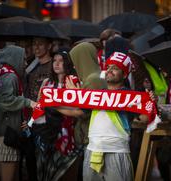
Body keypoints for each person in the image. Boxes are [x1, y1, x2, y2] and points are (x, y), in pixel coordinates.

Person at [59, 52, 153, 181]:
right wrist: (48, 103)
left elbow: (145, 119)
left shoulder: (130, 96)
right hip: (92, 150)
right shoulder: (97, 94)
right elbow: (77, 111)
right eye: (108, 67)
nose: (109, 70)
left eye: (115, 68)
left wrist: (150, 103)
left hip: (117, 152)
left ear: (124, 74)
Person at [30, 48, 81, 181]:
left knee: (62, 173)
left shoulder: (73, 82)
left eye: (61, 61)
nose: (56, 64)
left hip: (66, 132)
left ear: (68, 63)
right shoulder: (47, 83)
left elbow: (79, 109)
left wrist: (55, 107)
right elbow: (39, 105)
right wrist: (30, 121)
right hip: (46, 132)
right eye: (54, 61)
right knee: (45, 172)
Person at [0, 45, 37, 181]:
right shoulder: (10, 77)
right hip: (5, 137)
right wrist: (28, 102)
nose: (26, 63)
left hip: (8, 133)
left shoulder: (7, 74)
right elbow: (5, 100)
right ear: (14, 59)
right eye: (23, 59)